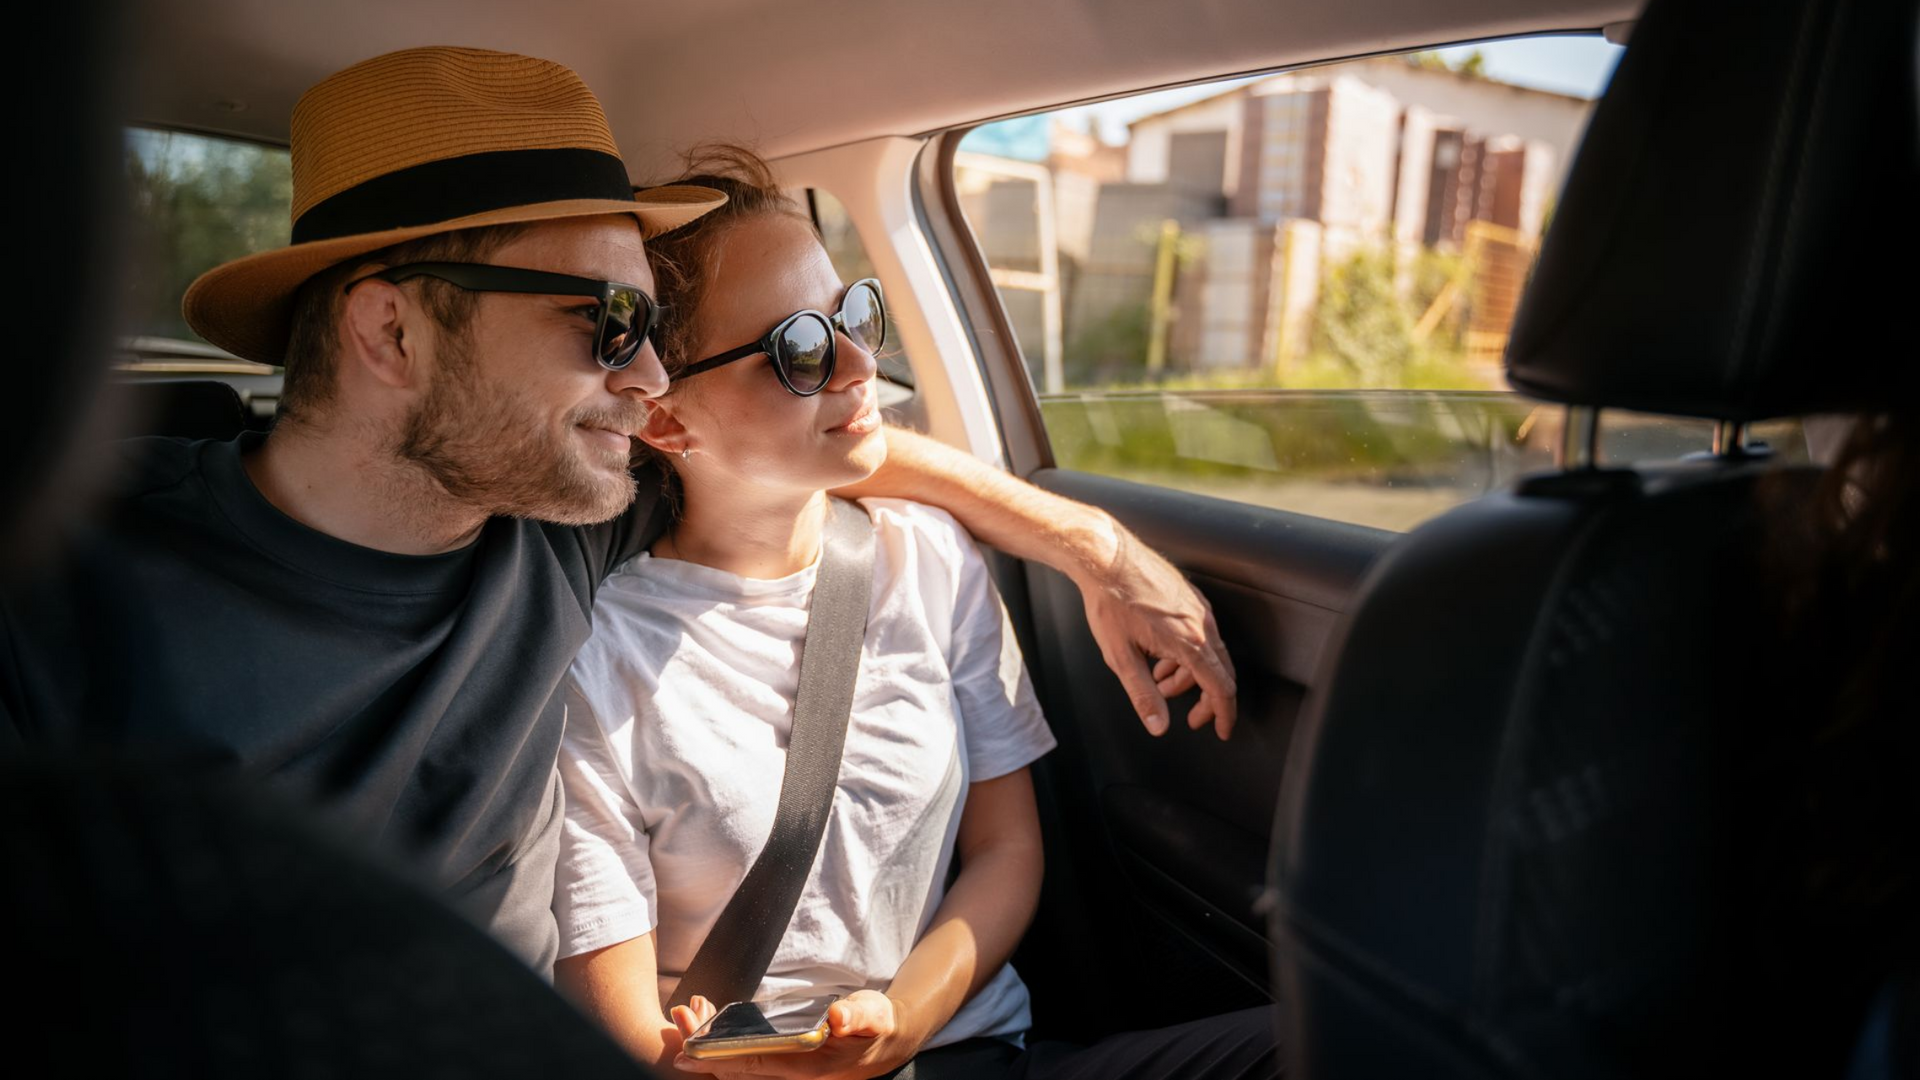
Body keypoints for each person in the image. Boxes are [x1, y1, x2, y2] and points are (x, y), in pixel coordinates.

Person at [0, 46, 1235, 976]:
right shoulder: (67, 600)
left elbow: (841, 449)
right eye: (608, 326)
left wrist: (1096, 545)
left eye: (652, 329)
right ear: (391, 329)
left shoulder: (561, 519)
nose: (649, 385)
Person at [551, 150, 1277, 1080]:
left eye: (856, 314)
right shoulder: (600, 654)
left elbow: (1007, 848)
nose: (863, 363)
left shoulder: (928, 556)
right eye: (801, 349)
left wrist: (902, 1018)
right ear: (664, 419)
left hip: (974, 1052)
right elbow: (618, 1024)